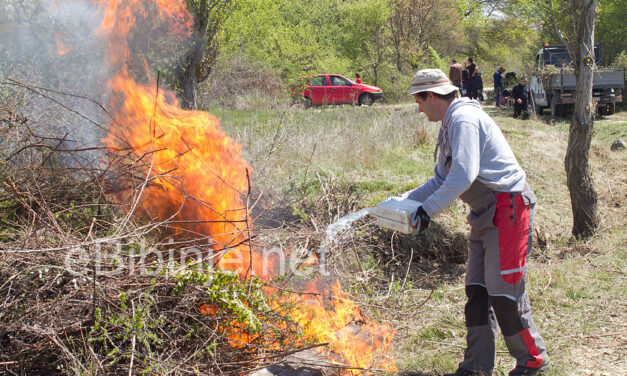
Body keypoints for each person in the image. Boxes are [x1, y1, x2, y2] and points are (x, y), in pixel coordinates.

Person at [405, 69, 549, 376]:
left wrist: (427, 211)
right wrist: (404, 203)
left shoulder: (463, 120)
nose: (418, 108)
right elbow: (441, 180)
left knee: (504, 293)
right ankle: (476, 368)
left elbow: (464, 175)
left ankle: (531, 360)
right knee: (478, 291)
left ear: (431, 96)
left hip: (507, 209)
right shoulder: (449, 124)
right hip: (484, 213)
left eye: (418, 100)